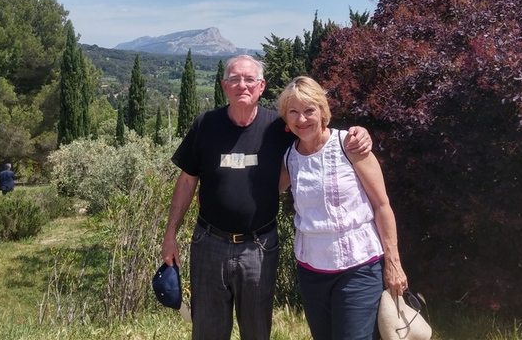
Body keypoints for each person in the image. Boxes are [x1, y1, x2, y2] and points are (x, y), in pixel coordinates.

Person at [161, 55, 373, 340]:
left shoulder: (279, 127)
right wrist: (170, 233)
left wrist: (358, 134)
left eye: (249, 79)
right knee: (207, 332)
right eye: (234, 79)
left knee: (257, 331)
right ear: (224, 86)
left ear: (261, 86)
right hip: (208, 244)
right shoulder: (205, 125)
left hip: (259, 246)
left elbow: (316, 132)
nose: (242, 85)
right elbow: (187, 181)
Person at [277, 76, 408, 340]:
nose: (302, 119)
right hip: (311, 272)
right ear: (286, 119)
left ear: (323, 111)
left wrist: (393, 263)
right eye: (294, 112)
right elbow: (262, 194)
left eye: (309, 110)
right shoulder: (290, 156)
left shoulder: (350, 144)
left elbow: (382, 205)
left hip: (358, 269)